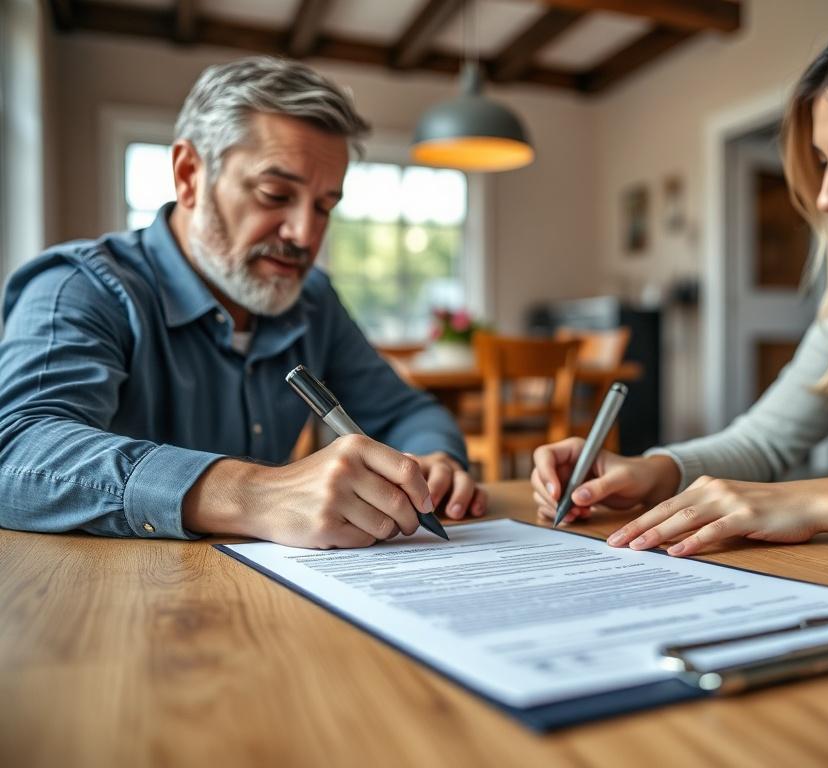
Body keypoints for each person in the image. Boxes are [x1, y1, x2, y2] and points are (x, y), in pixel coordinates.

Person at [533, 0, 828, 557]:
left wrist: (817, 502)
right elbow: (766, 441)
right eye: (823, 163)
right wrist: (654, 470)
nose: (827, 198)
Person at [0, 57, 486, 549]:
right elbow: (15, 451)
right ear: (190, 175)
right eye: (275, 194)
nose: (304, 234)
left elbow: (406, 412)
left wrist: (430, 462)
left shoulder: (314, 300)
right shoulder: (80, 287)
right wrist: (256, 494)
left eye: (324, 207)